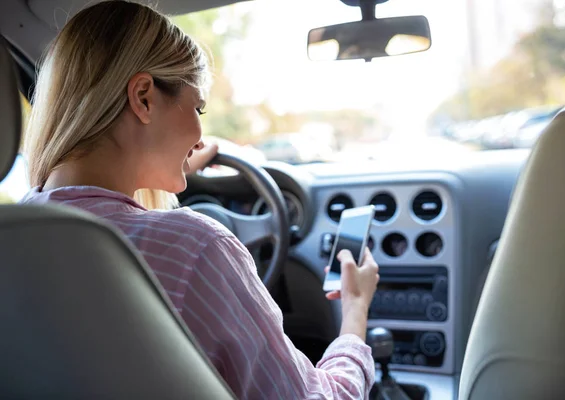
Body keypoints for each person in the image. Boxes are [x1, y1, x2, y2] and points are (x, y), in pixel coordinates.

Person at [20, 1, 380, 399]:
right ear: (143, 97)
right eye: (197, 108)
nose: (198, 134)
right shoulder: (198, 248)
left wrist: (166, 166)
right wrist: (354, 312)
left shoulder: (21, 237)